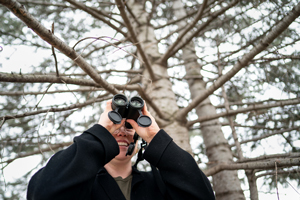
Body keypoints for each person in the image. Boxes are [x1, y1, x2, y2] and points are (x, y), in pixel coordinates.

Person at [27, 99, 215, 200]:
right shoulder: (82, 183)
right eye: (116, 128)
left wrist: (154, 136)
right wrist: (99, 133)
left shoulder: (158, 183)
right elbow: (43, 194)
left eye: (129, 128)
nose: (122, 133)